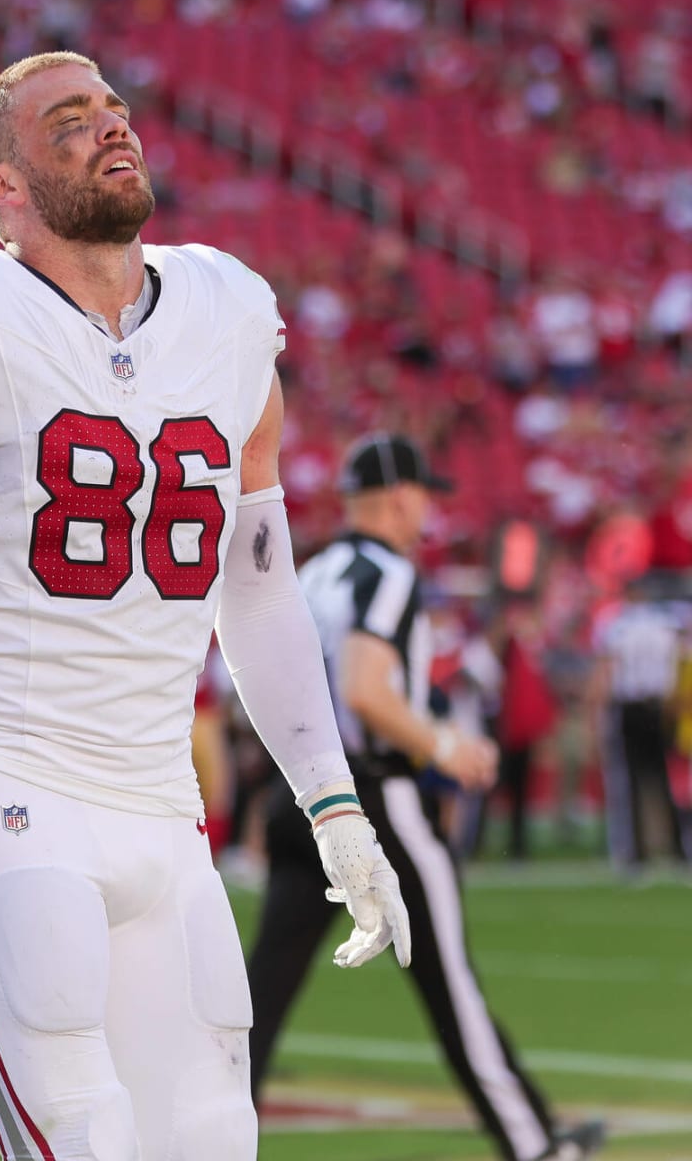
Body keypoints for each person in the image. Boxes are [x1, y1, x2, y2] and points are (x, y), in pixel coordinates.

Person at [0, 51, 410, 1161]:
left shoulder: (226, 313)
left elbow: (260, 587)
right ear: (2, 188)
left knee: (216, 1137)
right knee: (85, 1139)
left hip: (160, 796)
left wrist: (335, 805)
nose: (111, 128)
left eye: (116, 109)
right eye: (70, 121)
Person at [245, 432, 605, 1161]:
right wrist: (444, 744)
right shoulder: (390, 574)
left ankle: (206, 1136)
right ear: (402, 495)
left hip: (302, 794)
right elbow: (364, 688)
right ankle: (537, 1147)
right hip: (375, 803)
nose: (427, 513)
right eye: (422, 497)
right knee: (453, 992)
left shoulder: (312, 573)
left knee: (261, 1000)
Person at [591, 575, 689, 872]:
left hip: (632, 706)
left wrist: (596, 711)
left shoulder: (618, 624)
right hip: (662, 706)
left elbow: (607, 670)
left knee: (632, 779)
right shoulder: (668, 623)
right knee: (665, 779)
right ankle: (677, 851)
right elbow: (681, 662)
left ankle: (637, 854)